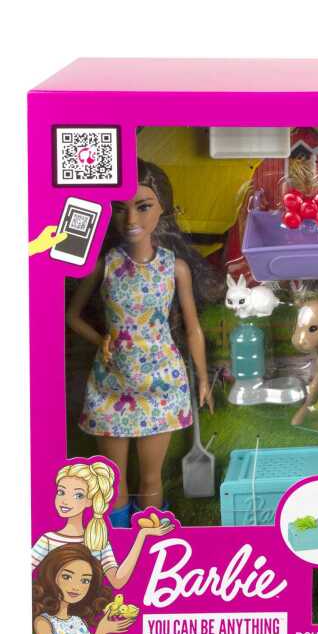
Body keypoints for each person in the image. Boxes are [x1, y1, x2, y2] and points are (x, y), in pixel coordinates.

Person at [66, 159, 220, 518]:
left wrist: (202, 379)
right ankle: (115, 546)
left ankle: (150, 544)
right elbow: (70, 315)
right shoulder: (105, 265)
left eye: (144, 206)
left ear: (163, 208)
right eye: (120, 208)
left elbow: (193, 328)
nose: (131, 219)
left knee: (151, 480)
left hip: (160, 385)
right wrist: (100, 340)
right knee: (113, 481)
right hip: (110, 385)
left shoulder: (174, 267)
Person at [31, 460, 172, 588]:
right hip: (53, 604)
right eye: (61, 492)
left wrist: (142, 534)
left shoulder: (98, 542)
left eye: (78, 495)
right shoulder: (48, 540)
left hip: (89, 606)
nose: (65, 501)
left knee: (148, 477)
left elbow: (118, 581)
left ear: (90, 501)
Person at [32, 544, 134, 634]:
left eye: (85, 580)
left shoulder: (79, 620)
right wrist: (100, 632)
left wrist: (105, 633)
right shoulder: (43, 623)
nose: (76, 587)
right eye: (67, 577)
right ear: (51, 576)